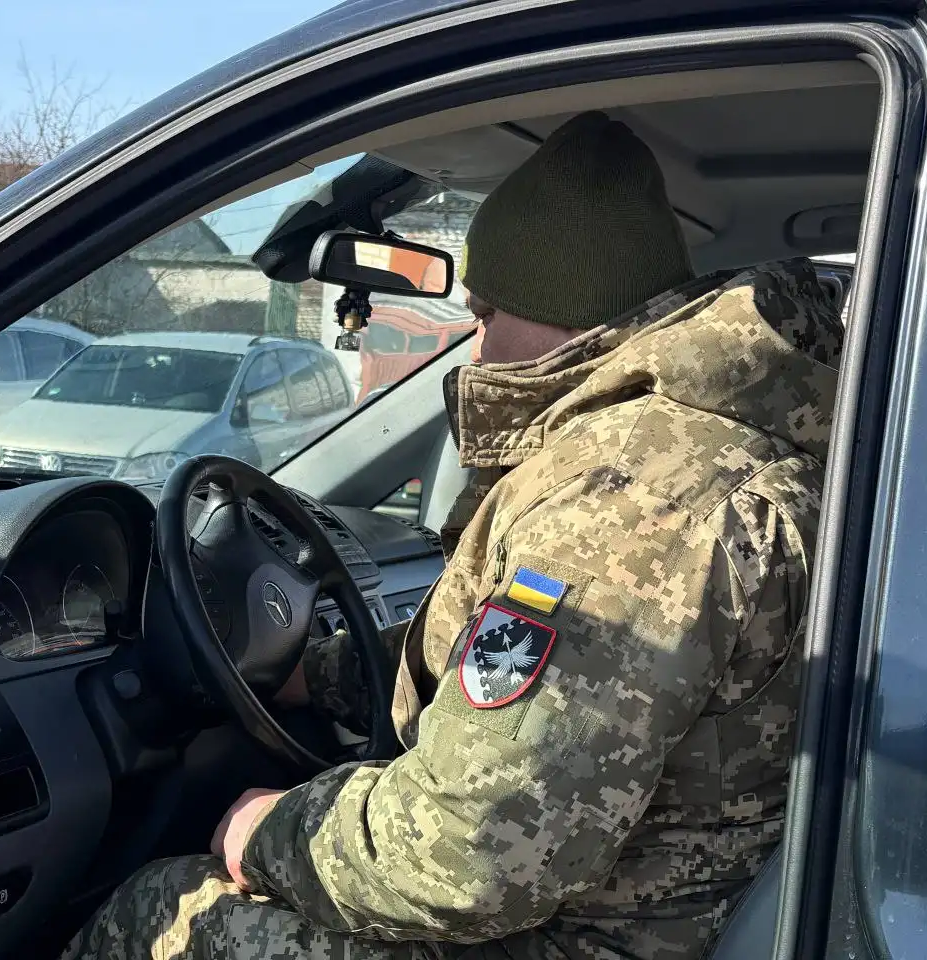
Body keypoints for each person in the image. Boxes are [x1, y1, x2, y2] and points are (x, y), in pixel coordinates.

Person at [62, 111, 843, 960]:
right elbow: (505, 667)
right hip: (658, 913)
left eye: (486, 311)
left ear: (560, 309)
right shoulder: (713, 448)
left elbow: (474, 853)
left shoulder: (625, 503)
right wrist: (321, 674)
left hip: (575, 941)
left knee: (158, 909)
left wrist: (271, 833)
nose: (475, 344)